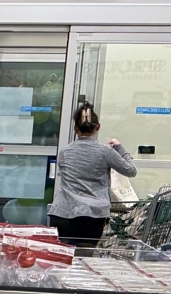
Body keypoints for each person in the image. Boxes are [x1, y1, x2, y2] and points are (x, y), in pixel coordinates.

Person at [49, 103, 137, 244]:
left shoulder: (64, 152)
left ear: (75, 129)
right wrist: (120, 148)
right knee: (85, 254)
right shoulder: (106, 152)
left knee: (63, 254)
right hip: (92, 216)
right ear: (98, 127)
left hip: (62, 214)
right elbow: (131, 170)